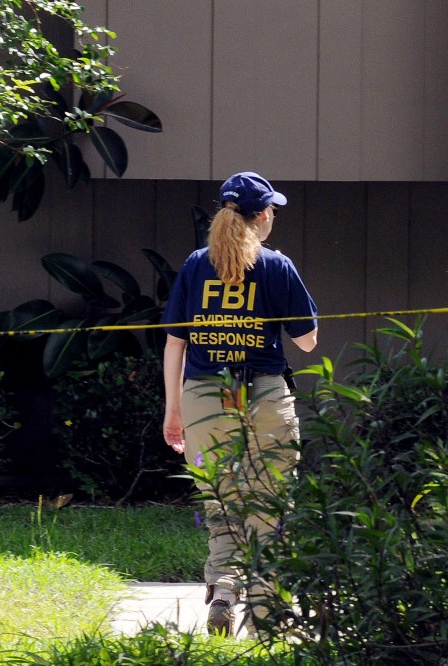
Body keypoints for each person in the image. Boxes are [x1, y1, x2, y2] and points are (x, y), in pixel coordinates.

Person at [161, 171, 318, 636]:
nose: (273, 215)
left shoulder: (194, 265)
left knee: (221, 503)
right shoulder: (277, 265)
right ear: (262, 215)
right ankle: (267, 619)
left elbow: (175, 344)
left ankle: (224, 593)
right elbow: (308, 342)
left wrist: (174, 411)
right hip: (265, 395)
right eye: (271, 208)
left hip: (203, 398)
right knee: (268, 503)